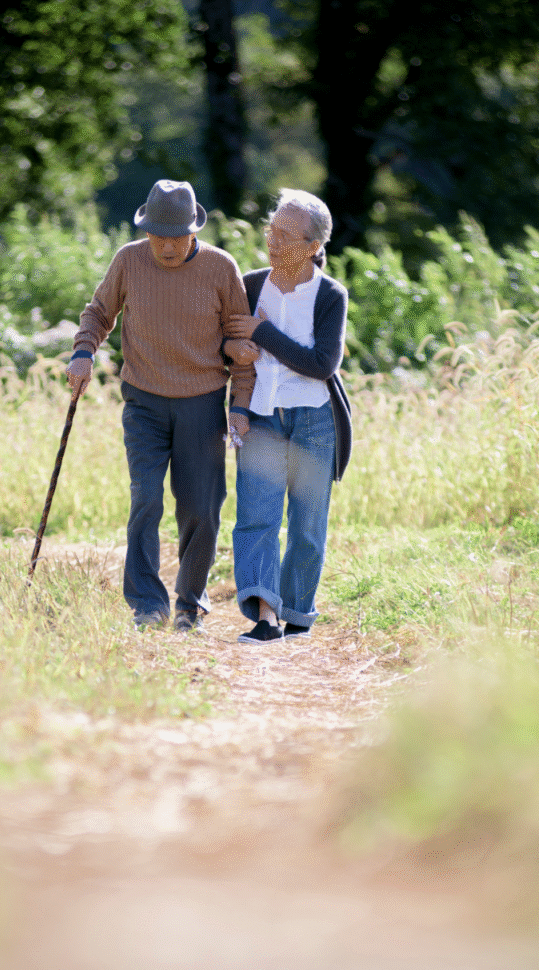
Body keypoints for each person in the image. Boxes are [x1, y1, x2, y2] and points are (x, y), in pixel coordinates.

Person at [66, 180, 254, 632]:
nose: (167, 247)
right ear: (145, 230)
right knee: (145, 500)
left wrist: (241, 403)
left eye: (176, 237)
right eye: (158, 236)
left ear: (194, 232)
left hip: (203, 402)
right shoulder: (129, 260)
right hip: (145, 401)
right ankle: (148, 605)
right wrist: (83, 351)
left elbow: (241, 338)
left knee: (200, 509)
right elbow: (98, 312)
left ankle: (189, 604)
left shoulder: (220, 268)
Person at [224, 189, 352, 644]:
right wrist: (236, 404)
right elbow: (233, 352)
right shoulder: (251, 285)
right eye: (270, 230)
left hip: (315, 421)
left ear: (314, 245)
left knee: (307, 524)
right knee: (255, 516)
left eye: (284, 234)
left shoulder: (330, 296)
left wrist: (263, 333)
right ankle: (264, 618)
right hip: (261, 416)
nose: (272, 241)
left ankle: (297, 613)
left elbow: (322, 364)